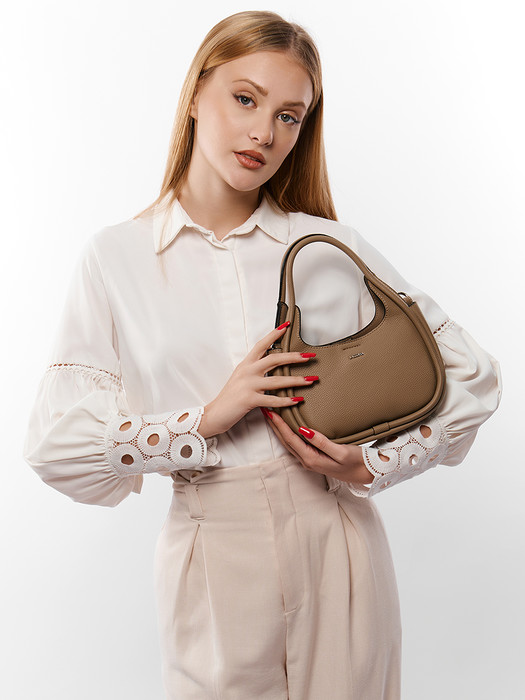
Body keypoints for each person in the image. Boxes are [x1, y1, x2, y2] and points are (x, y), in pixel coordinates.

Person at [22, 10, 502, 700]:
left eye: (288, 116)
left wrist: (373, 464)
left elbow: (470, 374)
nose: (263, 133)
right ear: (196, 93)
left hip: (337, 542)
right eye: (244, 99)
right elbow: (55, 449)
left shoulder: (324, 249)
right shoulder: (116, 258)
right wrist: (202, 421)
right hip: (210, 553)